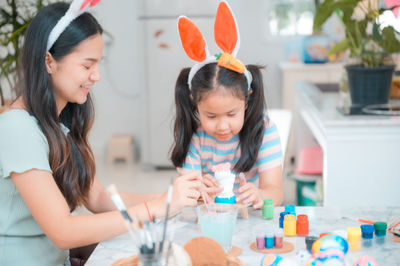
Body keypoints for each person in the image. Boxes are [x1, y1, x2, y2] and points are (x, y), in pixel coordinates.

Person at [0, 1, 201, 265]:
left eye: (97, 65)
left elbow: (97, 197)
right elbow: (63, 231)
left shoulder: (57, 123)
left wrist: (175, 198)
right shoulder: (17, 129)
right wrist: (157, 208)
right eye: (87, 66)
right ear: (49, 61)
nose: (96, 76)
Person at [171, 1, 283, 209]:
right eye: (211, 116)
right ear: (195, 104)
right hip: (210, 219)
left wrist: (260, 194)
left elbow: (275, 191)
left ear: (247, 100)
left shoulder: (264, 131)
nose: (222, 126)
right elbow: (186, 197)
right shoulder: (194, 136)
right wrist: (198, 192)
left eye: (231, 114)